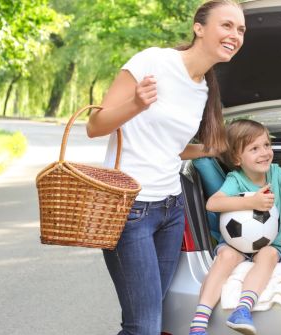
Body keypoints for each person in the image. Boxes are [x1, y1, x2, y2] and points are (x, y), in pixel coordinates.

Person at [85, 1, 245, 334]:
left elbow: (169, 148)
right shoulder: (153, 61)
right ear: (198, 28)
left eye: (241, 29)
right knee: (143, 326)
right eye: (227, 25)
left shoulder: (203, 89)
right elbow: (95, 125)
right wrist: (136, 104)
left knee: (149, 319)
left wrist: (205, 149)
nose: (235, 34)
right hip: (130, 210)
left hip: (172, 211)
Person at [188, 119, 281, 335]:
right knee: (226, 257)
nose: (265, 152)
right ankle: (199, 322)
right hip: (234, 245)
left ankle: (243, 310)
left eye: (267, 145)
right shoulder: (235, 179)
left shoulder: (276, 173)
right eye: (255, 148)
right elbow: (213, 203)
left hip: (268, 244)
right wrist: (251, 202)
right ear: (237, 159)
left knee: (268, 255)